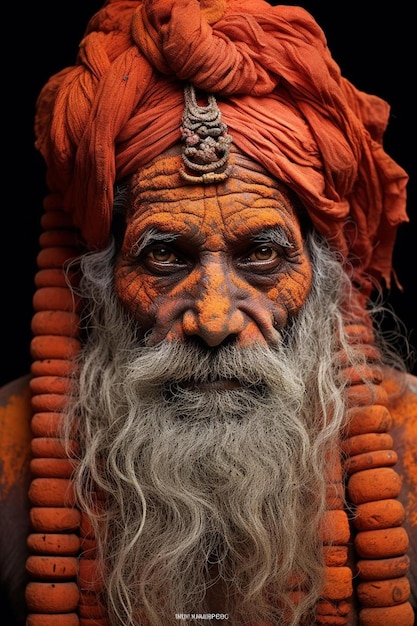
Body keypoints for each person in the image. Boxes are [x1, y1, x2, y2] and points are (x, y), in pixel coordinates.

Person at [0, 1, 416, 625]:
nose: (215, 320)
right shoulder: (9, 451)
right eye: (164, 255)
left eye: (263, 255)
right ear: (100, 276)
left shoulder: (411, 439)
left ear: (324, 272)